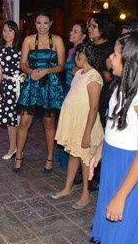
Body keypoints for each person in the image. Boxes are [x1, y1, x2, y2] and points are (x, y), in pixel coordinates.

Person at [89, 31, 138, 244]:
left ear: (130, 60)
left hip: (132, 167)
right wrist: (100, 149)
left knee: (125, 231)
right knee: (110, 229)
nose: (110, 59)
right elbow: (114, 126)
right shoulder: (120, 85)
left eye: (115, 55)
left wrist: (121, 195)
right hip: (114, 161)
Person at [52, 42, 103, 209]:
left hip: (85, 124)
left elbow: (94, 107)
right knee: (74, 155)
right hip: (75, 123)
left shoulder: (94, 76)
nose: (75, 59)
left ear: (84, 55)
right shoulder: (80, 72)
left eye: (77, 55)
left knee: (86, 158)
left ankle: (85, 193)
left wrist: (87, 133)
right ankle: (67, 188)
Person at [13, 11, 65, 174]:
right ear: (34, 24)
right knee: (24, 122)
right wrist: (31, 72)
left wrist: (46, 71)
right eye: (38, 23)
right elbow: (22, 64)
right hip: (32, 84)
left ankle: (50, 158)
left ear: (50, 24)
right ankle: (18, 156)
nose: (41, 26)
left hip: (51, 85)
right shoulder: (28, 40)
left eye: (45, 23)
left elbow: (61, 65)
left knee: (49, 123)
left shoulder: (57, 40)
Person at [55, 22, 88, 169]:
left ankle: (74, 162)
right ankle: (66, 160)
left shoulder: (84, 52)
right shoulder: (71, 50)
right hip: (67, 88)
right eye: (71, 30)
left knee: (75, 126)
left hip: (77, 90)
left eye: (75, 31)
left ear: (84, 36)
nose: (71, 33)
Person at [0, 21, 24, 160]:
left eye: (10, 31)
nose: (7, 34)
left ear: (15, 32)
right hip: (7, 87)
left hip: (21, 86)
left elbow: (27, 66)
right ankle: (13, 148)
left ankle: (19, 148)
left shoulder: (22, 47)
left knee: (21, 120)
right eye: (5, 30)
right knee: (10, 119)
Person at [87, 13, 116, 126]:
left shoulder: (111, 49)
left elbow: (111, 77)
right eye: (89, 26)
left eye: (94, 26)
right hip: (86, 92)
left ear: (103, 28)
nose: (89, 29)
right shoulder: (89, 46)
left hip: (102, 96)